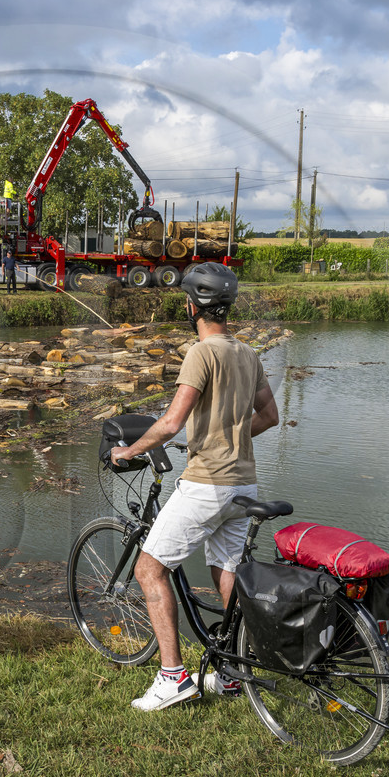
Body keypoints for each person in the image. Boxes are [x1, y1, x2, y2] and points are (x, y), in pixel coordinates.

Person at [107, 262, 279, 712]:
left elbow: (171, 422)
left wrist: (127, 452)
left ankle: (173, 677)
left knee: (149, 570)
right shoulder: (247, 353)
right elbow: (269, 416)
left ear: (191, 307)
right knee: (226, 569)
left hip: (207, 486)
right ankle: (232, 671)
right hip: (245, 483)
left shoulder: (201, 354)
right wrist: (230, 438)